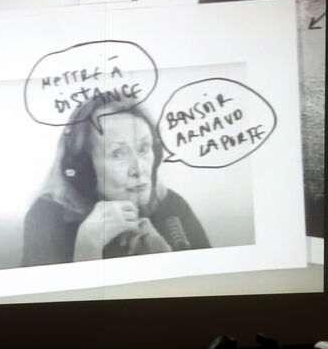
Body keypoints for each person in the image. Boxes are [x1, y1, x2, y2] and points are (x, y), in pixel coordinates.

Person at [23, 97, 210, 266]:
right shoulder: (47, 215)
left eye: (144, 148)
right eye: (118, 153)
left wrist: (167, 264)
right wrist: (87, 250)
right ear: (84, 168)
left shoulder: (172, 205)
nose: (139, 169)